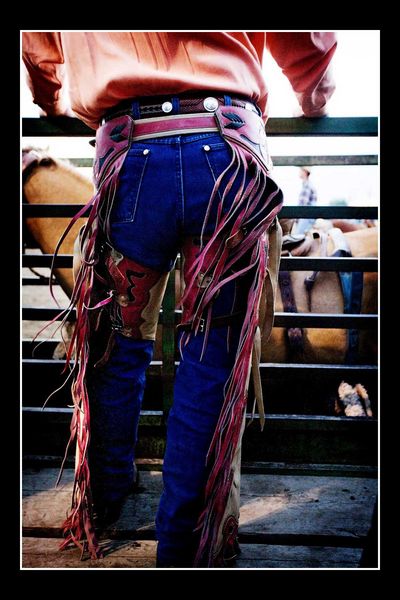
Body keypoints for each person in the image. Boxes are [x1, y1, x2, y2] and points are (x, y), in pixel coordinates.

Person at [22, 31, 337, 568]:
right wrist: (314, 98)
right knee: (211, 360)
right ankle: (185, 546)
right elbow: (308, 43)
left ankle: (105, 497)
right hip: (229, 155)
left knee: (113, 342)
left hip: (128, 154)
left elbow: (39, 50)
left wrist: (54, 98)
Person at [295, 166, 318, 235]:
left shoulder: (307, 186)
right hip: (308, 216)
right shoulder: (308, 185)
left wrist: (296, 217)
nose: (299, 172)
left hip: (306, 217)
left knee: (298, 236)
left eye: (300, 170)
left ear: (305, 172)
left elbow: (303, 205)